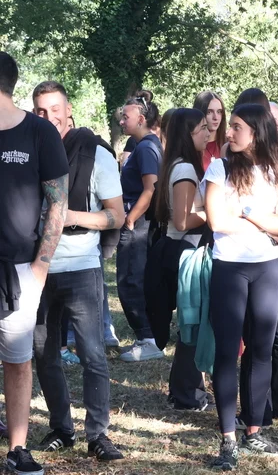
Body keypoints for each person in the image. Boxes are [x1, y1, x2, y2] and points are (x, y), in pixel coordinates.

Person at [29, 82, 125, 462]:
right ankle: (61, 427)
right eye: (40, 111)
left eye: (55, 109)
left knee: (92, 355)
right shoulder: (30, 150)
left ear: (68, 109)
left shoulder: (95, 153)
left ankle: (98, 434)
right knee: (43, 352)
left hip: (81, 266)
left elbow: (116, 215)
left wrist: (69, 216)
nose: (48, 117)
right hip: (37, 267)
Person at [205, 104, 278, 469]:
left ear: (256, 132)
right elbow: (216, 221)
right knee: (227, 352)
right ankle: (228, 438)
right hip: (229, 269)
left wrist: (245, 212)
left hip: (267, 269)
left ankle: (254, 430)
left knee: (261, 350)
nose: (229, 132)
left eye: (237, 127)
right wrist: (264, 223)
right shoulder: (220, 168)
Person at [0, 53, 68, 475]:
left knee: (18, 359)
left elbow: (57, 202)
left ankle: (18, 448)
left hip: (21, 268)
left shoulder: (39, 132)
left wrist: (41, 267)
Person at [232, 88, 278, 426]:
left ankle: (262, 408)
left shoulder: (252, 160)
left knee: (259, 331)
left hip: (268, 247)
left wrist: (251, 216)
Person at [155, 108, 213, 412]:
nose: (208, 133)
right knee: (191, 322)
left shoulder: (179, 165)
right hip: (185, 249)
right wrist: (214, 211)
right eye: (202, 128)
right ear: (187, 135)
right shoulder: (185, 169)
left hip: (182, 248)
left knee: (191, 323)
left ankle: (187, 389)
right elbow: (181, 220)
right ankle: (185, 393)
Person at [117, 90, 165, 362]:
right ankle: (146, 337)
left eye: (126, 116)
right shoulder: (145, 145)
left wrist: (130, 219)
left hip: (139, 223)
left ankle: (147, 340)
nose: (121, 121)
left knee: (130, 280)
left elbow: (150, 189)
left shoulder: (146, 147)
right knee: (135, 279)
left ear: (141, 119)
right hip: (141, 221)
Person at [193, 91, 226, 169]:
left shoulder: (229, 143)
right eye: (209, 112)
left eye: (219, 112)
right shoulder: (192, 146)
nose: (215, 117)